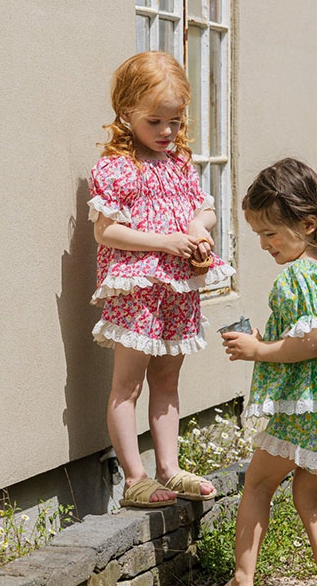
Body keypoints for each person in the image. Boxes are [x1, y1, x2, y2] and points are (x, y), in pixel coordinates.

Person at [89, 51, 235, 508]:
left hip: (176, 288)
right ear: (126, 112)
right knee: (128, 384)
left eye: (175, 122)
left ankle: (168, 469)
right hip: (137, 290)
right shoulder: (117, 167)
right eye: (156, 122)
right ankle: (135, 478)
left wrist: (196, 231)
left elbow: (204, 209)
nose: (168, 132)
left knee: (168, 380)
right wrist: (165, 242)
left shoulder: (178, 164)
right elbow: (105, 230)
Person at [220, 157, 317, 586]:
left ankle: (242, 577)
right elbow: (314, 336)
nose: (263, 243)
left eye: (269, 233)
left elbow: (312, 343)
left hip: (308, 412)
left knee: (256, 485)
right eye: (258, 234)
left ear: (307, 224)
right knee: (310, 499)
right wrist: (267, 341)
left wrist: (258, 349)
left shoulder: (300, 276)